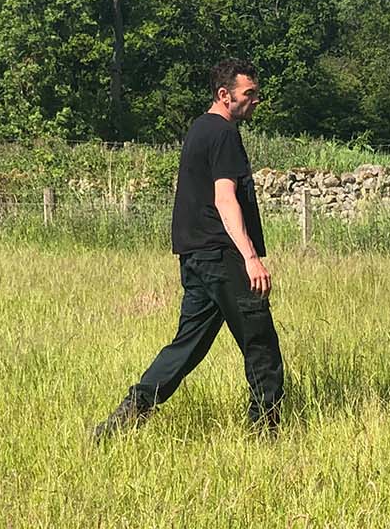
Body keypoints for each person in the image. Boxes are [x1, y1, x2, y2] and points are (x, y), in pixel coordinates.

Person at [93, 58, 284, 439]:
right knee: (260, 343)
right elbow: (225, 198)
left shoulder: (198, 130)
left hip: (195, 258)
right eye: (249, 94)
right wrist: (250, 258)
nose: (255, 101)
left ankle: (135, 407)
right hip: (223, 256)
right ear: (223, 94)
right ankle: (266, 433)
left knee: (186, 346)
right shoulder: (225, 134)